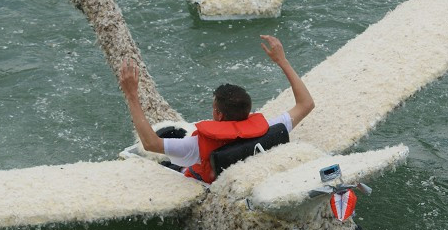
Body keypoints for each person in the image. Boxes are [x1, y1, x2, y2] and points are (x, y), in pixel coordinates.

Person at [119, 35, 315, 184]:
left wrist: (131, 95)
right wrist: (282, 61)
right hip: (237, 173)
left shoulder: (196, 145)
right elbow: (306, 104)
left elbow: (150, 143)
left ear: (219, 114)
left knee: (163, 164)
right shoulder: (270, 128)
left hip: (198, 180)